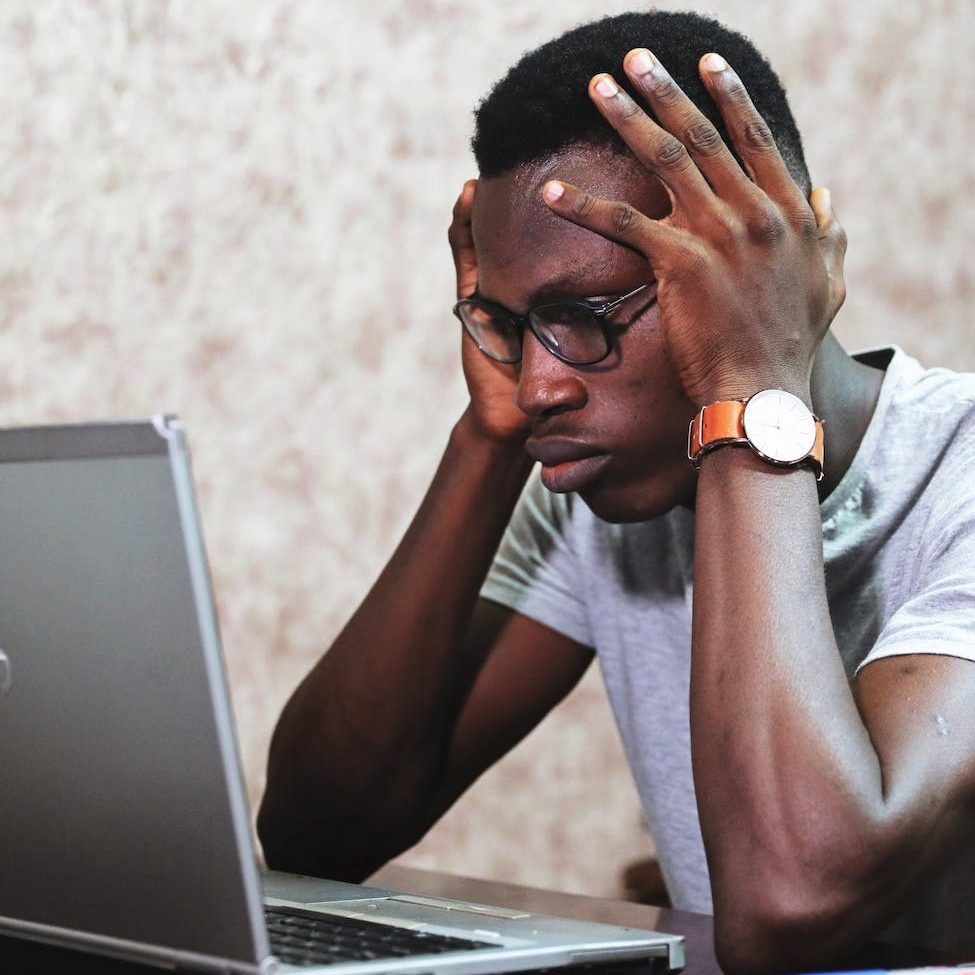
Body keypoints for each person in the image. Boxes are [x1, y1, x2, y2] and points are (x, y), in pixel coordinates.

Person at [256, 11, 975, 973]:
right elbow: (316, 835)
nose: (542, 382)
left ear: (762, 265)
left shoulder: (956, 469)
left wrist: (747, 390)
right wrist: (487, 436)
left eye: (583, 316)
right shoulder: (596, 489)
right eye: (509, 325)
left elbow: (788, 901)